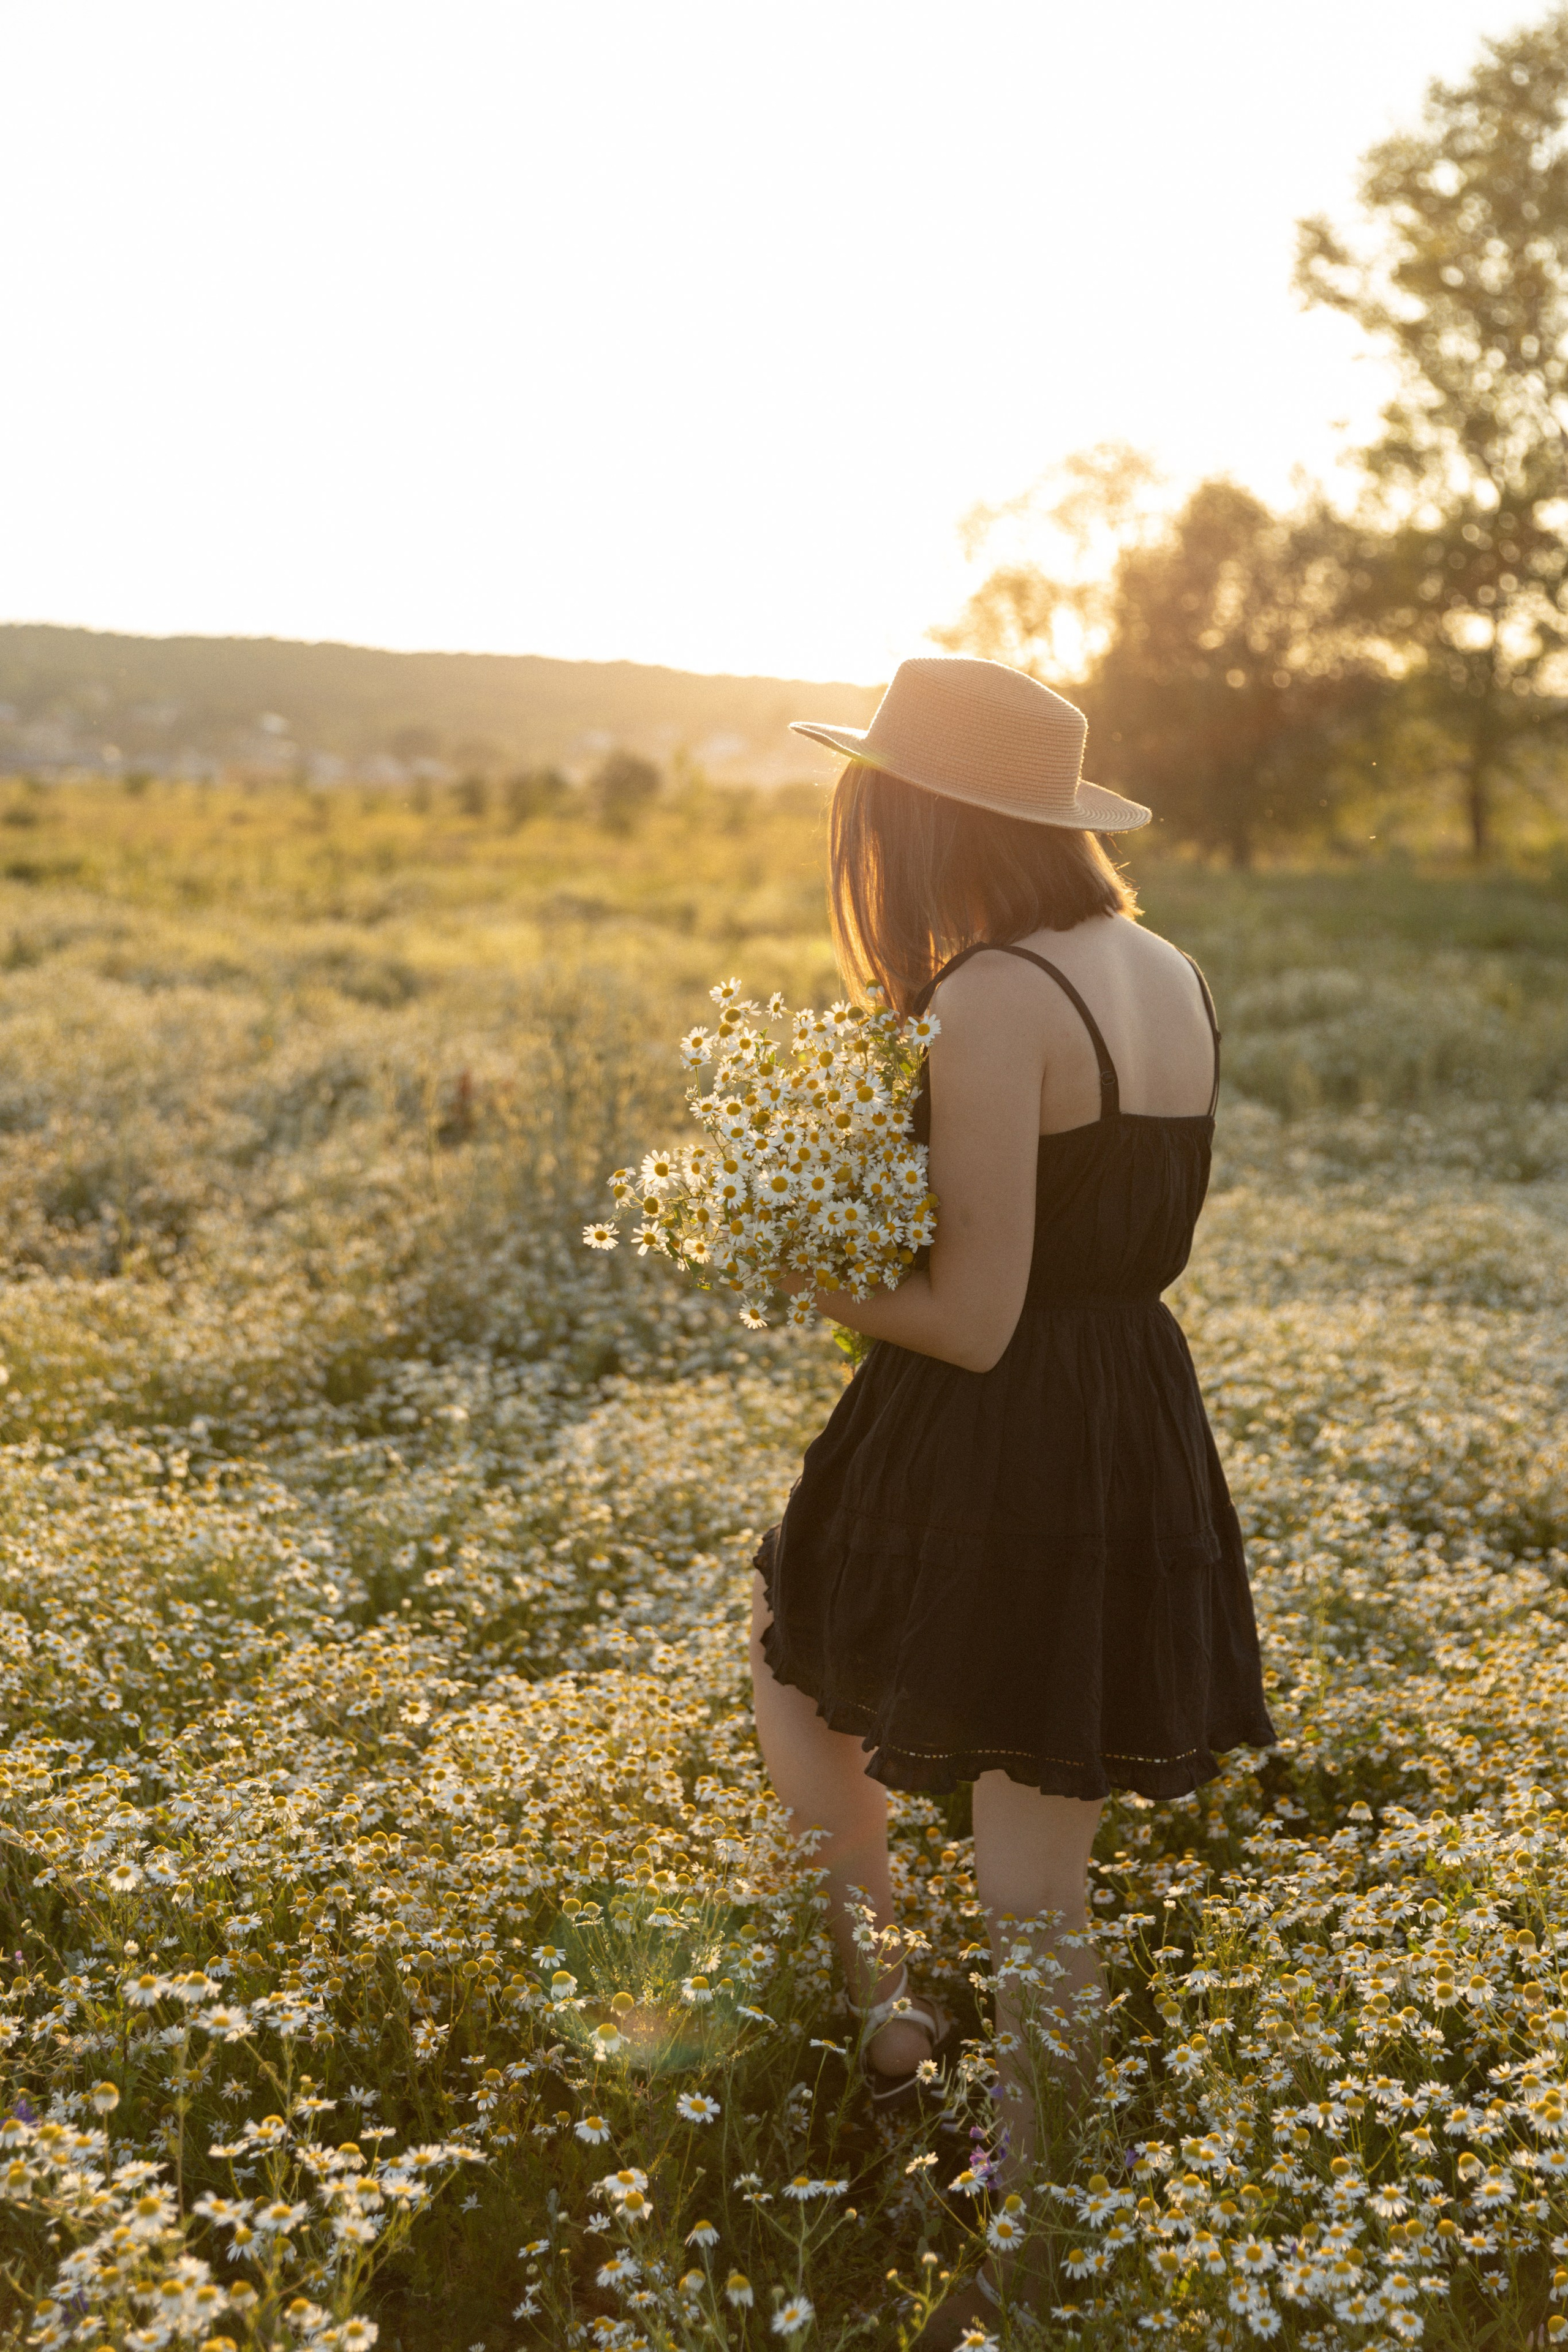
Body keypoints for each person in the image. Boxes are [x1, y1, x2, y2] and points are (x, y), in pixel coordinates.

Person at [747, 654, 1278, 2343]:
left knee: (819, 1690)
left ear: (919, 822)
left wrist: (804, 1271)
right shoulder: (1170, 969)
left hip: (989, 1432)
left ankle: (982, 2159)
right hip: (1128, 1414)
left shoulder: (989, 997)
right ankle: (996, 2162)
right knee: (1028, 1833)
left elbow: (972, 1318)